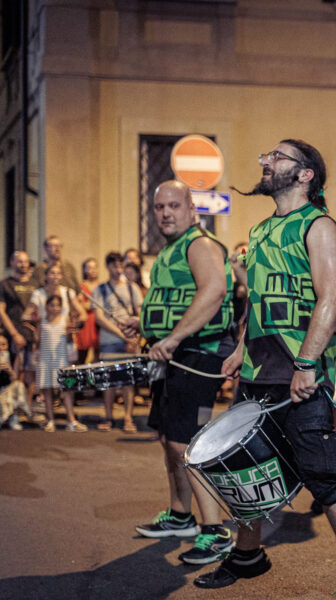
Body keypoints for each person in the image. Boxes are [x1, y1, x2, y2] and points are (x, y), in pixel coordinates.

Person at [196, 139, 336, 600]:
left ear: (305, 174)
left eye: (278, 156)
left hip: (300, 372)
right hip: (258, 371)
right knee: (246, 467)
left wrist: (307, 362)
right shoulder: (259, 230)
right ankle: (248, 555)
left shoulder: (318, 225)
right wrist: (240, 348)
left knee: (325, 476)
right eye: (267, 155)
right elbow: (256, 300)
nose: (266, 161)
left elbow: (331, 298)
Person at [122, 180, 237, 565]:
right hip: (174, 355)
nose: (166, 213)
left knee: (187, 443)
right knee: (168, 437)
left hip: (198, 354)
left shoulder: (199, 244)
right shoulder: (171, 249)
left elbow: (214, 291)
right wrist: (144, 324)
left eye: (174, 205)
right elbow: (177, 299)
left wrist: (172, 338)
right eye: (159, 207)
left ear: (191, 209)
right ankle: (180, 515)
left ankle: (214, 530)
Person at [27, 264, 88, 431]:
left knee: (67, 383)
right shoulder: (38, 294)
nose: (55, 276)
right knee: (47, 385)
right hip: (46, 339)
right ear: (46, 275)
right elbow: (26, 315)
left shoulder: (68, 292)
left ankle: (71, 420)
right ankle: (50, 420)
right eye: (52, 273)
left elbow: (82, 313)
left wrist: (75, 326)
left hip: (63, 341)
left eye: (58, 273)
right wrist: (35, 328)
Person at [91, 251, 143, 432]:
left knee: (128, 380)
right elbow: (99, 318)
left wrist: (135, 335)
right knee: (108, 380)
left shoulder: (132, 287)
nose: (118, 269)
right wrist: (122, 334)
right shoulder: (99, 289)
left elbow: (139, 313)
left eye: (121, 265)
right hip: (109, 340)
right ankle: (108, 417)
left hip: (130, 339)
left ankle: (128, 418)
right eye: (114, 265)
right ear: (107, 266)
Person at [0, 251, 38, 384]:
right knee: (14, 373)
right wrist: (14, 334)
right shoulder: (4, 284)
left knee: (32, 374)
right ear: (12, 263)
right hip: (13, 335)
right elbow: (0, 311)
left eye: (26, 261)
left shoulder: (36, 284)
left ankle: (28, 398)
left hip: (33, 336)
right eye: (20, 261)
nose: (23, 264)